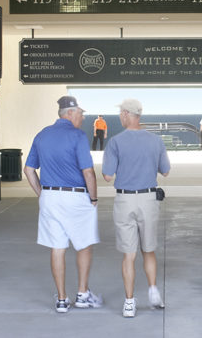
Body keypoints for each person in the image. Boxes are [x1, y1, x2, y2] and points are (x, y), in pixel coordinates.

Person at [24, 95, 103, 314]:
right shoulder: (77, 136)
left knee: (57, 247)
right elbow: (88, 171)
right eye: (80, 113)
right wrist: (94, 199)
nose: (83, 118)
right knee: (84, 244)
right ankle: (82, 294)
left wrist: (42, 194)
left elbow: (29, 170)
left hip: (50, 197)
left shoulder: (42, 135)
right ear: (70, 113)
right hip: (76, 197)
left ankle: (61, 299)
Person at [101, 98, 170, 318]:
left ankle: (129, 303)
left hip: (125, 200)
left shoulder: (115, 142)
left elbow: (107, 176)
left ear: (125, 114)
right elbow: (166, 171)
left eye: (121, 113)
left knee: (128, 255)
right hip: (149, 199)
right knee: (148, 250)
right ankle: (153, 292)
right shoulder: (156, 141)